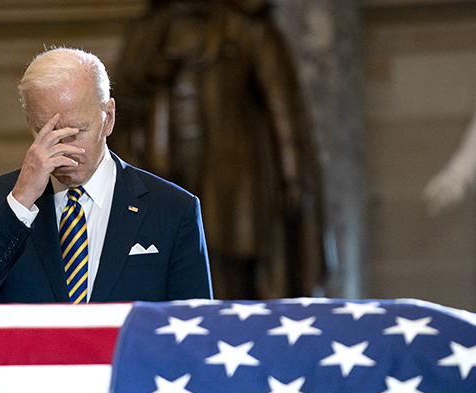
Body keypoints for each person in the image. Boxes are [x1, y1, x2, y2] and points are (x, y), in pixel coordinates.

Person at [0, 47, 213, 304]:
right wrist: (20, 201)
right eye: (47, 132)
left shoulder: (173, 209)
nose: (64, 151)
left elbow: (196, 328)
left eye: (77, 132)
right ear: (29, 123)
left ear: (108, 117)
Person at [110, 0, 326, 300]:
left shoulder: (248, 28)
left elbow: (283, 109)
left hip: (230, 175)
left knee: (228, 270)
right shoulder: (151, 30)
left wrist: (292, 175)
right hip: (162, 171)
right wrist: (151, 71)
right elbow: (115, 101)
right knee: (167, 266)